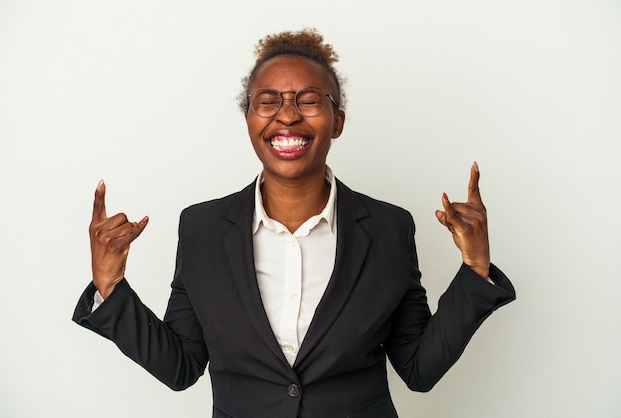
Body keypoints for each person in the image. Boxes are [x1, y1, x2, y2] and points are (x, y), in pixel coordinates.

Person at [73, 28, 515, 417]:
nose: (287, 115)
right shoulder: (203, 228)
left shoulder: (387, 228)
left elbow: (419, 368)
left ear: (337, 121)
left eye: (308, 100)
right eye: (268, 102)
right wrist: (110, 287)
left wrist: (475, 269)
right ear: (249, 119)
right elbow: (181, 366)